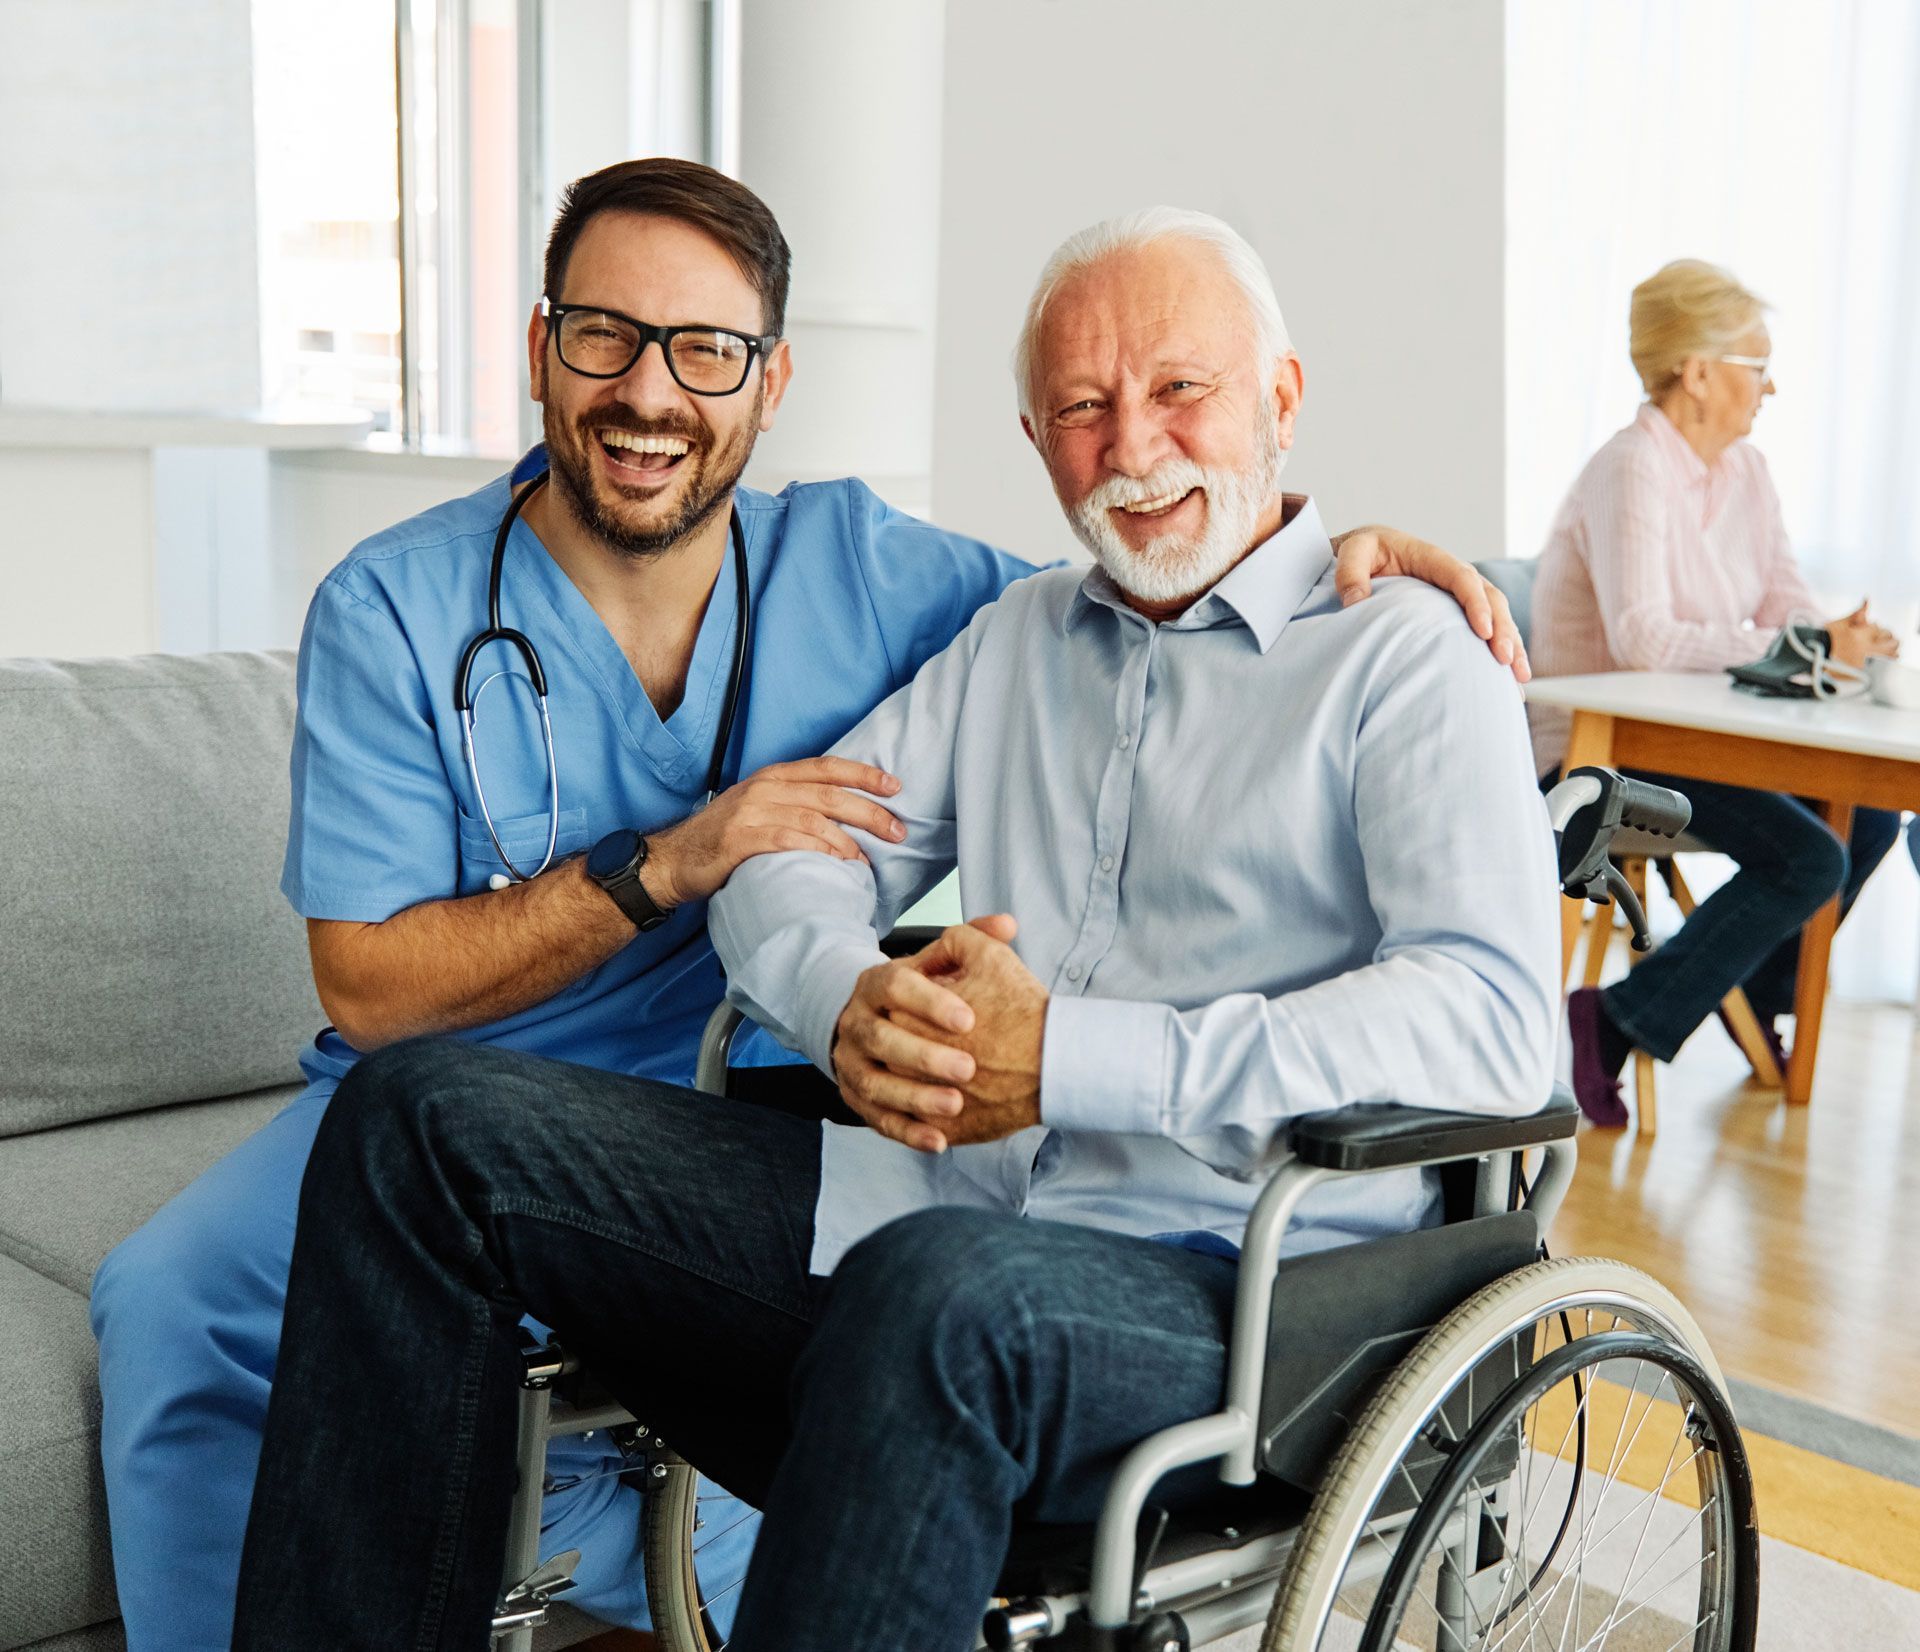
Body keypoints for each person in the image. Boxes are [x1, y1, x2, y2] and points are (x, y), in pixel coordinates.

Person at [87, 161, 1518, 1650]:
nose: (1131, 445)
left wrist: (1070, 1055)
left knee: (937, 1293)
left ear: (1284, 395)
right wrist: (847, 996)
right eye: (1083, 408)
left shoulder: (1400, 659)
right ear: (1034, 439)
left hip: (1238, 1271)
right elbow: (794, 856)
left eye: (1181, 389)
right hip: (937, 1199)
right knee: (422, 1121)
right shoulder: (1018, 634)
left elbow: (1487, 1024)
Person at [1529, 259, 1902, 1126]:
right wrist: (1799, 645)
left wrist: (1835, 636)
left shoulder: (1747, 472)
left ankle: (1753, 989)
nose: (1771, 389)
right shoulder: (1632, 468)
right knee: (1809, 857)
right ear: (1697, 373)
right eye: (1757, 368)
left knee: (1871, 815)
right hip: (1605, 757)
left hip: (1695, 747)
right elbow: (1645, 638)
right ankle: (1613, 1021)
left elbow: (1785, 603)